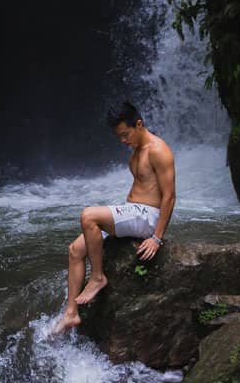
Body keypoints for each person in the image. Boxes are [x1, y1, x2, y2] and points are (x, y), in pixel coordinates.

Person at [52, 101, 176, 335]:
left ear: (139, 124)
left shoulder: (159, 150)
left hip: (147, 216)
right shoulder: (138, 149)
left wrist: (157, 238)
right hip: (132, 210)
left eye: (125, 134)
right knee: (75, 250)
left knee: (88, 215)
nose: (123, 141)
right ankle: (71, 314)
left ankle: (98, 277)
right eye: (119, 136)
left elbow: (169, 197)